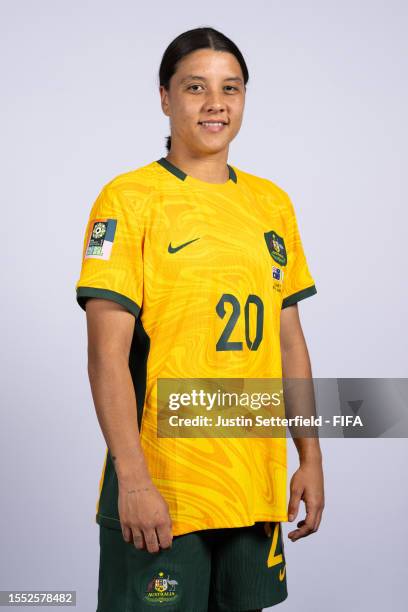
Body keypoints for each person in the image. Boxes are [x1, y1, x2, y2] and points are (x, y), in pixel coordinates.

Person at [75, 26, 325, 612]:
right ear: (165, 97)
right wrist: (134, 481)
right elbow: (106, 355)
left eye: (230, 88)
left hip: (253, 483)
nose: (216, 103)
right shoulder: (129, 199)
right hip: (164, 486)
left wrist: (310, 456)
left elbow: (290, 344)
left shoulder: (271, 203)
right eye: (195, 87)